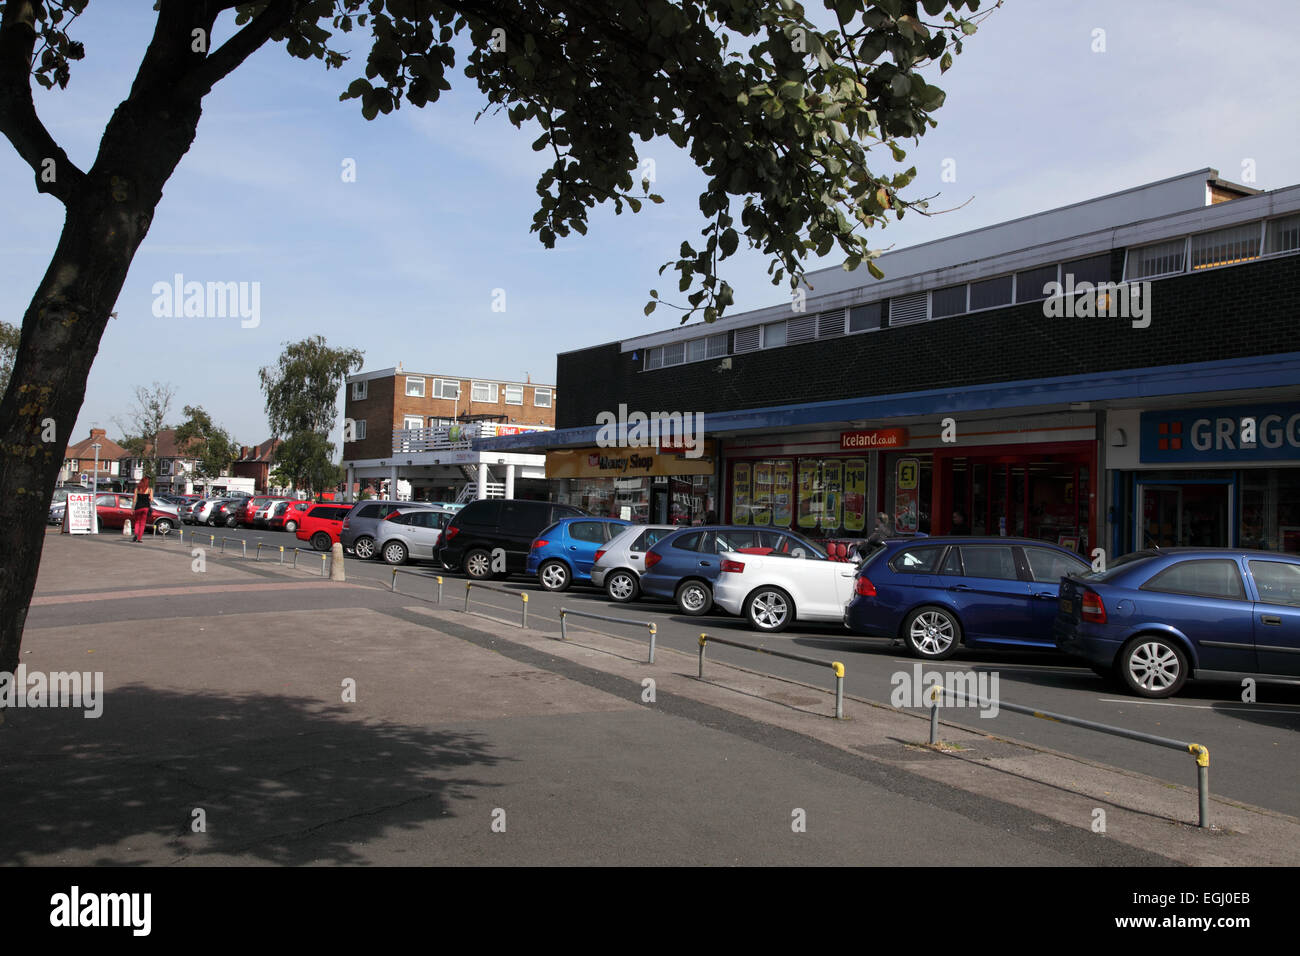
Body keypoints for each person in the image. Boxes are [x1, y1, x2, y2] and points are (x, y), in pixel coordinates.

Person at [131, 475, 152, 542]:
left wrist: (132, 509)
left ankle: (136, 534)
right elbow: (151, 499)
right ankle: (139, 538)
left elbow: (134, 500)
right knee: (142, 523)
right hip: (145, 508)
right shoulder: (149, 490)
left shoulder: (137, 489)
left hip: (138, 507)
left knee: (137, 522)